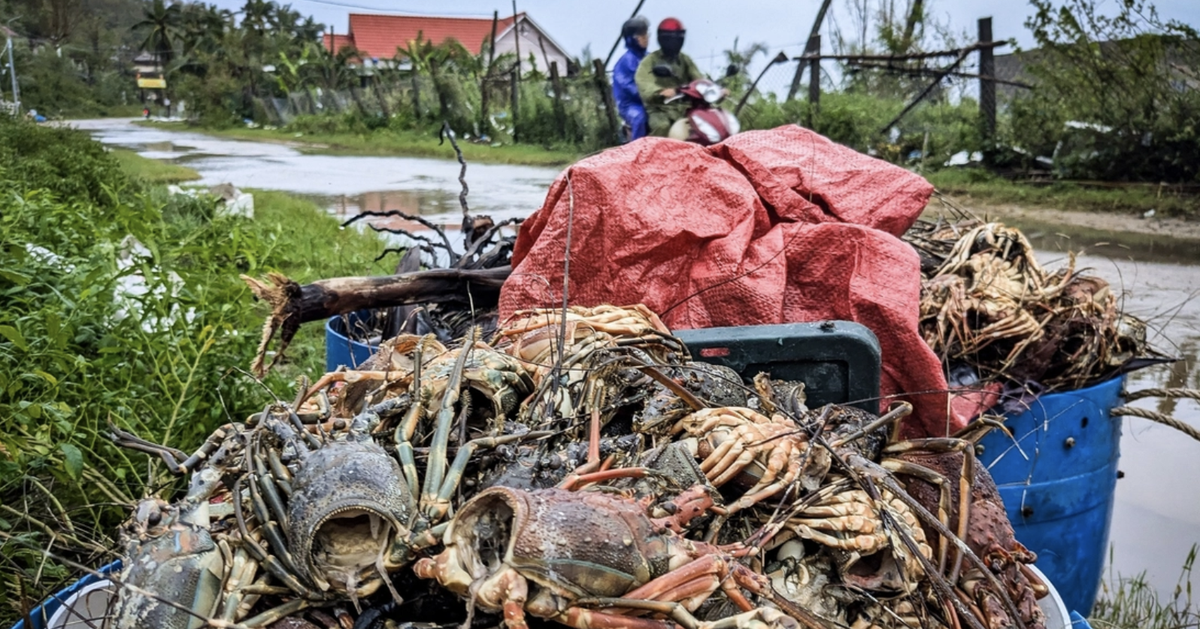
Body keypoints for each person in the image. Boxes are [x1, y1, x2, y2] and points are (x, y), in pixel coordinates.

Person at [635, 17, 703, 137]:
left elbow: (698, 78)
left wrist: (713, 89)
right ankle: (654, 155)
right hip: (660, 109)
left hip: (684, 108)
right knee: (662, 126)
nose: (675, 42)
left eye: (678, 38)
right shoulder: (650, 61)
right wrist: (660, 92)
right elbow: (644, 83)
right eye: (671, 38)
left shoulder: (684, 59)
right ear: (663, 39)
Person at [612, 16, 649, 141]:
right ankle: (637, 154)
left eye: (646, 34)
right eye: (641, 35)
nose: (646, 38)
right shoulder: (625, 63)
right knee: (640, 117)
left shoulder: (650, 58)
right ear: (631, 39)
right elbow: (630, 87)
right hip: (632, 105)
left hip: (652, 101)